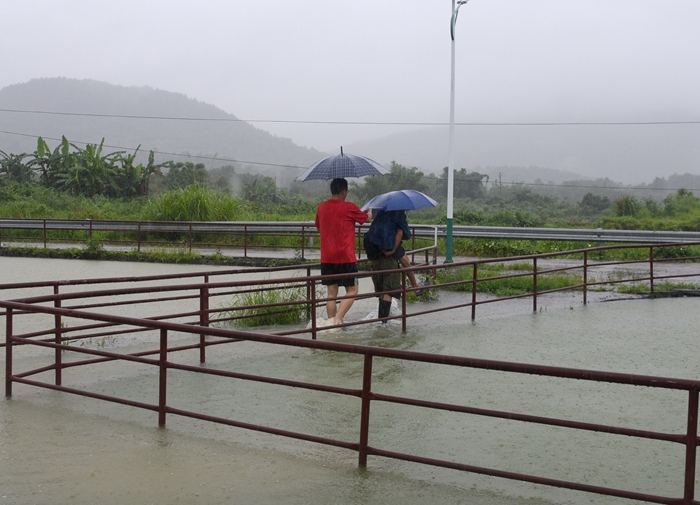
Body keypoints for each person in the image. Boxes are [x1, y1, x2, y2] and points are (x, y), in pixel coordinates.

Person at [314, 178, 371, 325]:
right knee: (352, 290)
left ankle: (331, 322)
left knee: (331, 294)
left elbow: (319, 227)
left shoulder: (321, 207)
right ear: (344, 191)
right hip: (345, 257)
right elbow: (366, 219)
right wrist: (369, 212)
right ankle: (337, 321)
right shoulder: (349, 207)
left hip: (327, 258)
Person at [363, 209, 428, 321]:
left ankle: (378, 294)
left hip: (372, 247)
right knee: (389, 289)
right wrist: (393, 249)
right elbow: (403, 233)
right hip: (388, 247)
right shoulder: (399, 215)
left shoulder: (382, 212)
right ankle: (383, 322)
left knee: (382, 283)